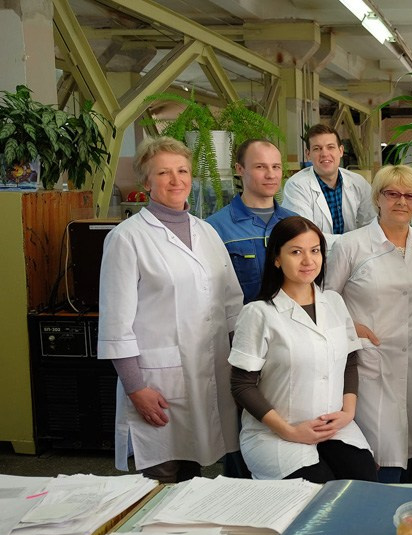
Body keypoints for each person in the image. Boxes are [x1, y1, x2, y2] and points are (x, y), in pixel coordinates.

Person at [98, 136, 243, 483]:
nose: (176, 180)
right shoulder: (127, 238)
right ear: (146, 183)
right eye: (163, 173)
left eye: (182, 171)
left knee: (193, 472)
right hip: (156, 381)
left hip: (207, 372)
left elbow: (231, 306)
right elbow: (116, 326)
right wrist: (136, 388)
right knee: (161, 477)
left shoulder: (207, 232)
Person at [228, 216, 377, 482]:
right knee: (317, 492)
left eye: (315, 251)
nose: (308, 261)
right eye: (296, 252)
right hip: (276, 434)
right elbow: (242, 385)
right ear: (277, 259)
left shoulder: (334, 302)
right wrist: (289, 431)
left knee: (364, 482)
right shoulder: (258, 313)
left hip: (335, 425)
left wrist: (348, 412)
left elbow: (350, 361)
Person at [326, 165, 412, 483]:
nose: (401, 201)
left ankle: (403, 507)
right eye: (392, 193)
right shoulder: (350, 245)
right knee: (379, 452)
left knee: (411, 446)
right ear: (377, 198)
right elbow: (327, 301)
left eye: (410, 195)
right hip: (372, 362)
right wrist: (351, 327)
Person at [207, 139, 298, 303]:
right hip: (242, 319)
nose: (271, 175)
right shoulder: (215, 228)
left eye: (276, 167)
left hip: (293, 317)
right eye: (260, 167)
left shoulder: (296, 223)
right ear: (239, 169)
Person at [281, 124, 376, 251]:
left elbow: (372, 223)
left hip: (356, 255)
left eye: (330, 147)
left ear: (341, 151)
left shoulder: (358, 182)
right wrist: (354, 241)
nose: (325, 154)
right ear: (308, 154)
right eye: (317, 149)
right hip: (315, 256)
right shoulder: (296, 186)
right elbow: (303, 234)